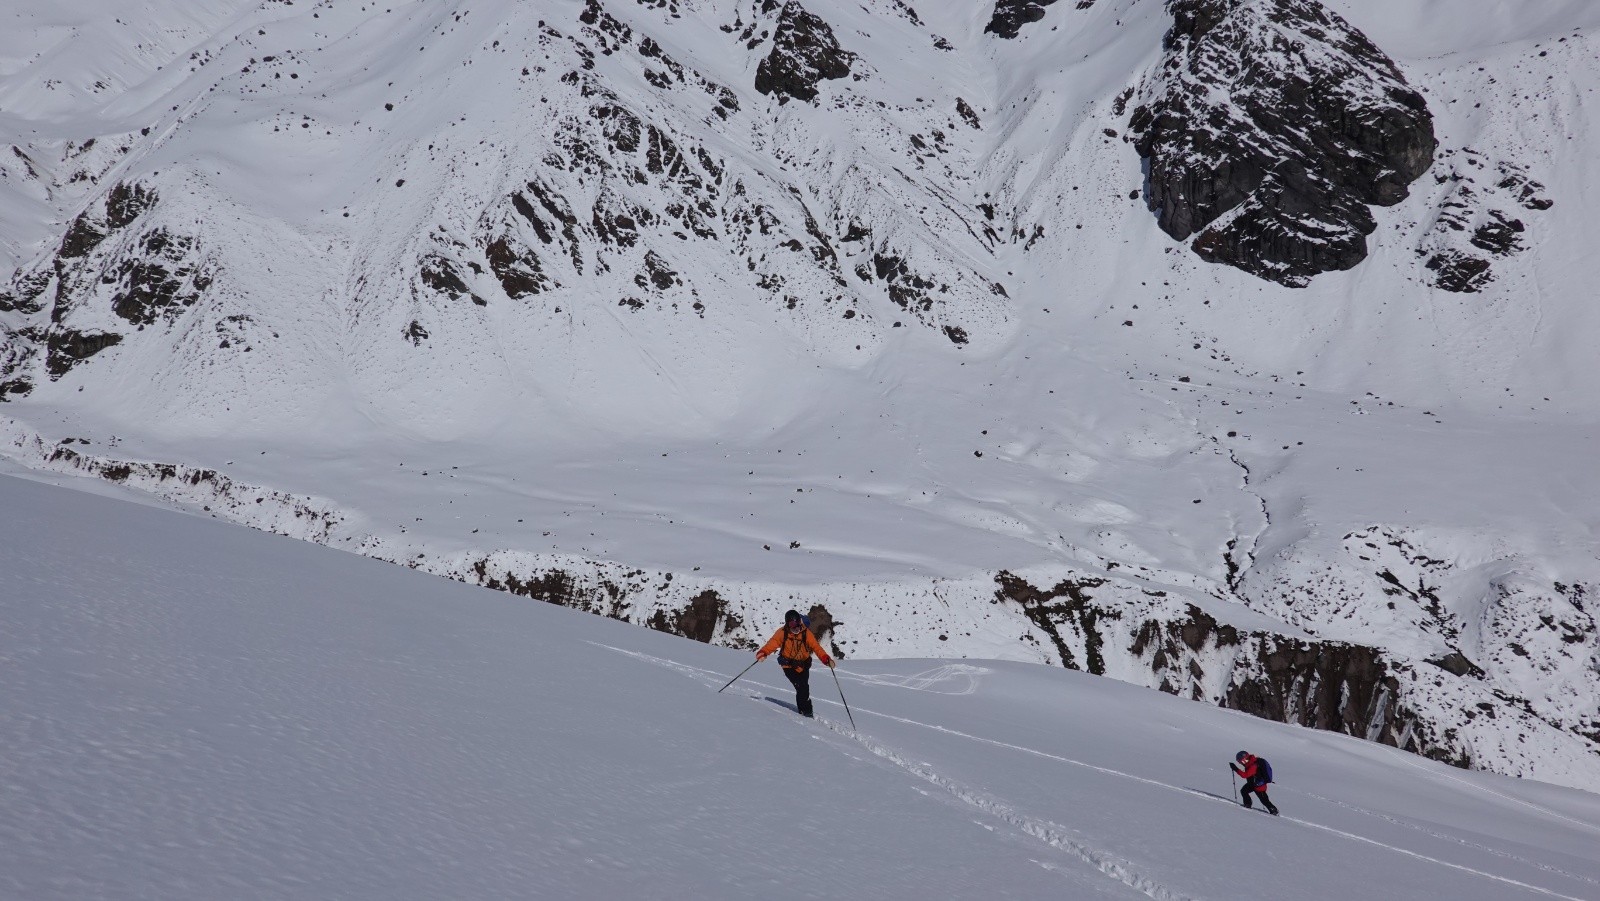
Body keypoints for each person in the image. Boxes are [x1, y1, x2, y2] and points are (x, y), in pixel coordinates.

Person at [757, 609, 834, 717]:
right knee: (801, 687)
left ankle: (807, 712)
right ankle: (805, 713)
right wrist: (763, 653)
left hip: (804, 665)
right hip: (788, 665)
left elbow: (816, 647)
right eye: (793, 625)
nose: (796, 628)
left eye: (798, 624)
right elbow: (772, 643)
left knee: (804, 688)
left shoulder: (806, 633)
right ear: (788, 624)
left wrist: (826, 659)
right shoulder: (782, 633)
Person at [1231, 751, 1279, 815]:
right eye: (1240, 762)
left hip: (1259, 786)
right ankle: (1247, 804)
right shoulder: (1250, 763)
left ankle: (1274, 810)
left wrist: (1235, 768)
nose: (1242, 763)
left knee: (1264, 800)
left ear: (1246, 759)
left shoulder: (1253, 765)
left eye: (1242, 761)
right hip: (1253, 783)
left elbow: (1245, 775)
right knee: (1244, 791)